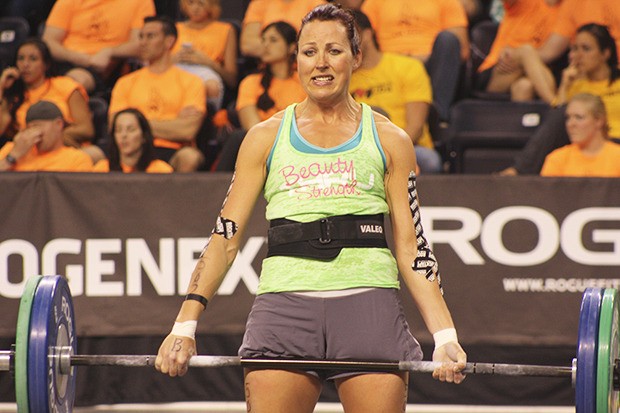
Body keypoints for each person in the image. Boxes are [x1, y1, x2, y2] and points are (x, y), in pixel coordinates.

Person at [155, 5, 466, 412]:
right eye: (308, 52)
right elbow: (225, 237)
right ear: (296, 59)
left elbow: (413, 248)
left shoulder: (391, 140)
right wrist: (184, 325)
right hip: (284, 308)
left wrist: (445, 337)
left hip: (367, 305)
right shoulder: (264, 138)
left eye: (334, 51)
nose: (320, 63)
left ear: (356, 57)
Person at [501, 23, 620, 175]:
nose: (578, 55)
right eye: (575, 49)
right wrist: (564, 86)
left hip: (615, 140)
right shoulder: (574, 84)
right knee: (560, 114)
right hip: (583, 141)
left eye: (586, 49)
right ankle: (518, 171)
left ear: (605, 53)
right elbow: (557, 123)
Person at [109, 16, 207, 173]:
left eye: (150, 36)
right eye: (141, 36)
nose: (143, 42)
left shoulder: (191, 82)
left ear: (169, 41)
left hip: (171, 149)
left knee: (190, 157)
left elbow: (187, 131)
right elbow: (115, 124)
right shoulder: (125, 82)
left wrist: (138, 125)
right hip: (133, 150)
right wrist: (172, 122)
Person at [349, 10, 442, 174]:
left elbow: (416, 127)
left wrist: (388, 155)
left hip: (409, 146)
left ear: (368, 34)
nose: (348, 41)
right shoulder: (344, 78)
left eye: (352, 35)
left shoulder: (407, 67)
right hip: (358, 152)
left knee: (430, 161)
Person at [215, 21, 307, 171]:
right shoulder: (251, 82)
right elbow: (252, 127)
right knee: (239, 137)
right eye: (263, 40)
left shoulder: (304, 82)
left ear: (291, 47)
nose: (265, 45)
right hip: (260, 146)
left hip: (296, 146)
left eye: (273, 40)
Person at [361, 0, 471, 121]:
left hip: (431, 63)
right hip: (390, 64)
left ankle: (436, 116)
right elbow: (363, 36)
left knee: (448, 40)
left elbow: (462, 49)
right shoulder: (374, 2)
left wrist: (420, 58)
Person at [0, 38, 104, 163]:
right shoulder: (14, 98)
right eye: (21, 59)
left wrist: (53, 138)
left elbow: (86, 129)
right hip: (29, 156)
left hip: (66, 151)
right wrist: (2, 89)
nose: (25, 64)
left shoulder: (65, 86)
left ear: (46, 64)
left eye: (33, 59)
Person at [41, 0, 156, 95]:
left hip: (101, 67)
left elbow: (141, 44)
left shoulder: (140, 2)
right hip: (64, 58)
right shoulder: (69, 2)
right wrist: (77, 57)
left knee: (76, 81)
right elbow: (48, 41)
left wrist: (110, 52)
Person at [477, 0, 560, 102]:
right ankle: (554, 103)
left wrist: (528, 63)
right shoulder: (527, 3)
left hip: (532, 73)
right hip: (500, 66)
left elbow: (551, 52)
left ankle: (515, 118)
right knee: (527, 51)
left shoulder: (566, 11)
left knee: (524, 87)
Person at [173, 0, 238, 111]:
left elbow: (232, 79)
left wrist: (208, 62)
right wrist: (174, 58)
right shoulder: (175, 28)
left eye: (201, 3)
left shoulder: (226, 30)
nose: (195, 8)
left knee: (211, 86)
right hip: (176, 69)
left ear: (212, 6)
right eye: (191, 3)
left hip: (208, 73)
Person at [541, 93, 620, 176]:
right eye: (568, 118)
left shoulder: (617, 157)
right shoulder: (557, 159)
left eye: (579, 117)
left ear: (599, 121)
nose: (570, 124)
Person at [0, 100, 93, 171]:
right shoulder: (11, 149)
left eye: (38, 126)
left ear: (59, 124)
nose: (34, 133)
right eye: (29, 128)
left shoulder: (76, 159)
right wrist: (13, 156)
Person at [536, 0, 620, 66]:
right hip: (583, 72)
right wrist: (526, 57)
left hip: (612, 68)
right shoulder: (573, 3)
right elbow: (549, 52)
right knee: (525, 83)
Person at [93, 108, 173, 173]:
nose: (124, 135)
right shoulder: (102, 169)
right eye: (118, 130)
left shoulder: (160, 170)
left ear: (144, 136)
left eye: (131, 130)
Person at [240, 0, 326, 58]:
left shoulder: (317, 3)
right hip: (267, 74)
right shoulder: (260, 3)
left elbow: (322, 42)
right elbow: (248, 45)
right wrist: (285, 50)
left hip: (307, 70)